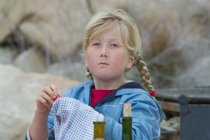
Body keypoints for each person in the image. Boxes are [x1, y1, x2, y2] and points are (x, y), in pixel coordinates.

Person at [26, 8, 164, 140]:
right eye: (96, 44)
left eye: (114, 45)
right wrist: (42, 113)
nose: (103, 52)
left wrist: (89, 118)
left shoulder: (140, 101)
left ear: (130, 61)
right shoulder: (72, 96)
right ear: (86, 58)